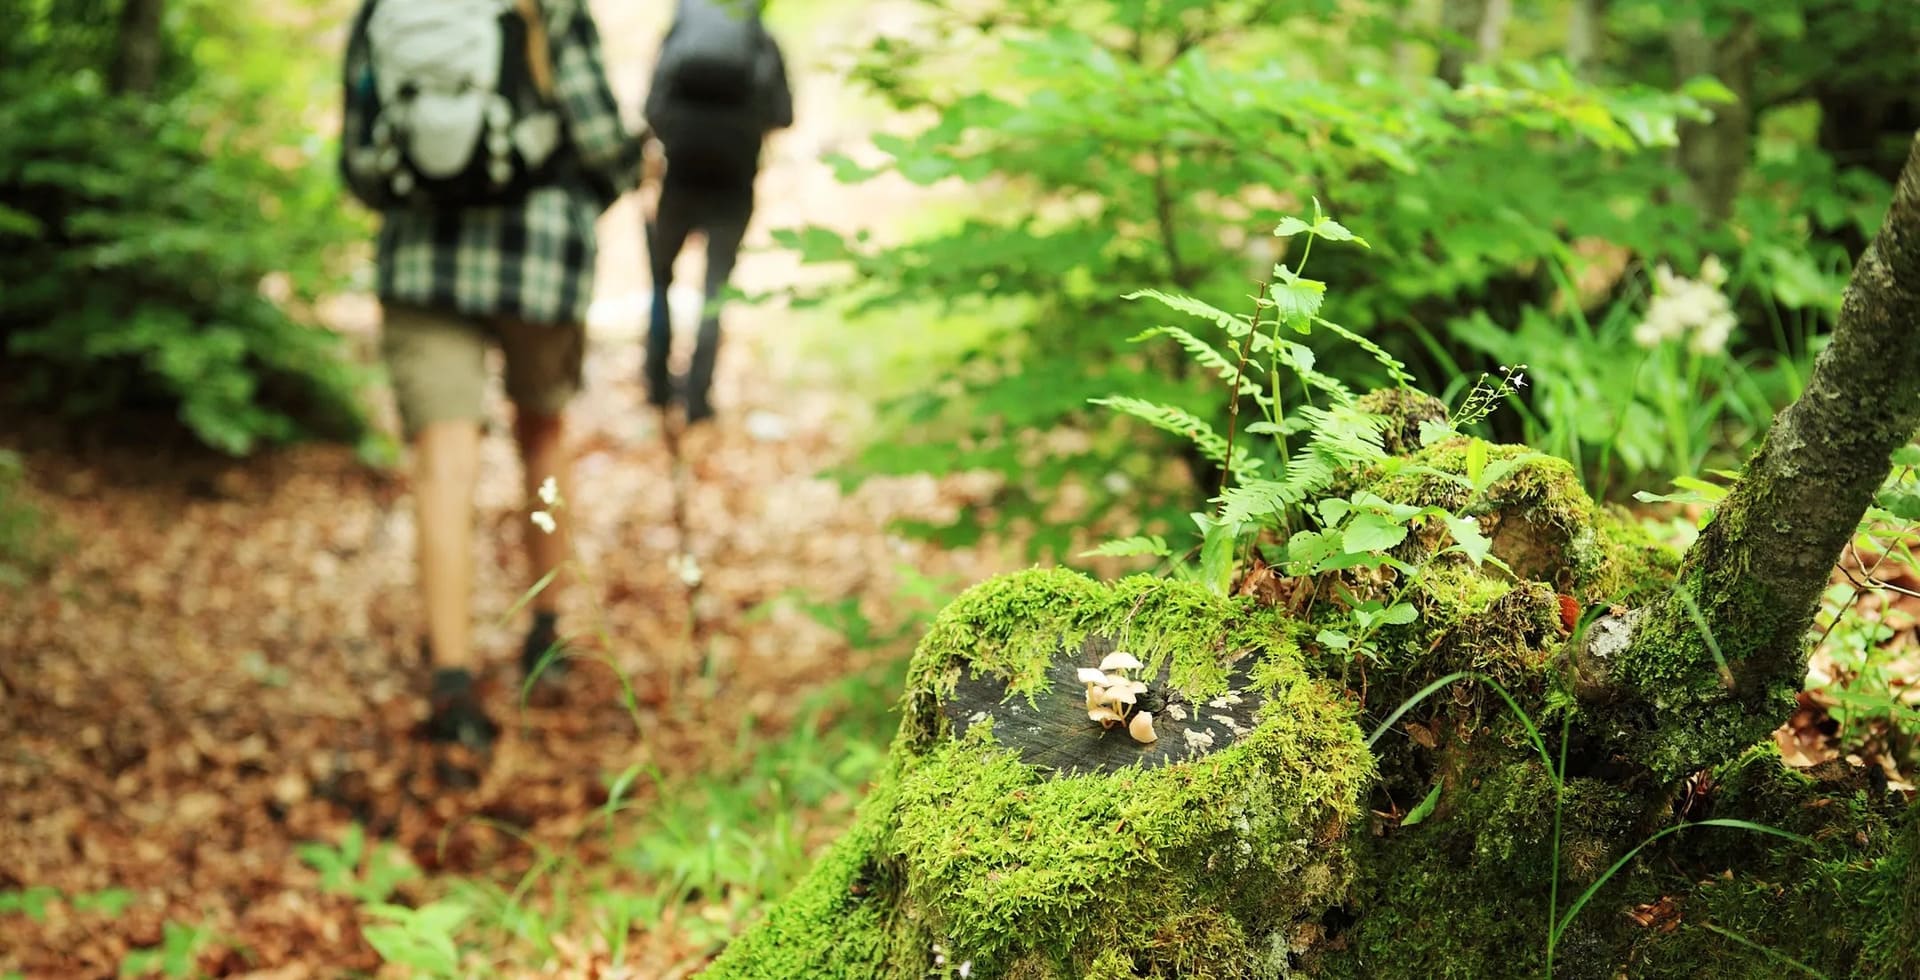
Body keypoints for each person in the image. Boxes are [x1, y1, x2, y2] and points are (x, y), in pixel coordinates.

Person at [339, 0, 644, 757]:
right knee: (541, 438)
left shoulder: (387, 8)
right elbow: (603, 137)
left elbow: (357, 160)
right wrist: (601, 185)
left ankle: (452, 682)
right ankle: (543, 629)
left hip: (420, 260)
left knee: (444, 464)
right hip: (538, 258)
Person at [642, 0, 793, 423]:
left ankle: (656, 385)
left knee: (660, 280)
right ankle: (697, 399)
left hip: (680, 178)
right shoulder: (761, 41)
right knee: (715, 293)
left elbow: (652, 107)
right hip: (734, 183)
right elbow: (783, 115)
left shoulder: (681, 31)